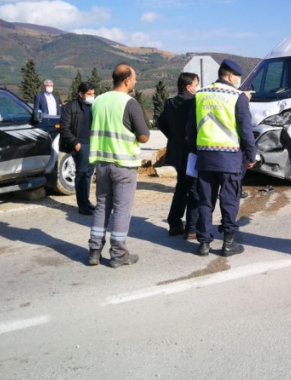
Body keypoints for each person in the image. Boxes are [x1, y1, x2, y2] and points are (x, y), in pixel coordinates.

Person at [187, 59, 257, 256]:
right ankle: (228, 243)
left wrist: (196, 149)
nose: (238, 81)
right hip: (230, 158)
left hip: (205, 157)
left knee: (205, 201)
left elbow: (190, 128)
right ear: (229, 76)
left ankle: (204, 244)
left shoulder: (199, 94)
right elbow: (245, 130)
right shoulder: (237, 97)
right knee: (229, 201)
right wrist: (251, 155)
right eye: (237, 77)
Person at [87, 63, 150, 268]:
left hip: (102, 163)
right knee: (122, 210)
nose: (136, 81)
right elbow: (144, 137)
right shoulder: (129, 103)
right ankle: (118, 254)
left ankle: (94, 251)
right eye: (134, 78)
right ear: (126, 80)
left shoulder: (98, 101)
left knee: (101, 207)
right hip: (123, 164)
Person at [157, 72, 200, 239]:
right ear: (189, 87)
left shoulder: (170, 103)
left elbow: (161, 123)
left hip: (176, 151)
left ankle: (174, 223)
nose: (197, 88)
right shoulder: (194, 102)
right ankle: (192, 228)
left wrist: (173, 137)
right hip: (191, 151)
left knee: (181, 187)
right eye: (196, 85)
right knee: (194, 189)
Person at [59, 81, 96, 215]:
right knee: (81, 175)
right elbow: (64, 128)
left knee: (88, 174)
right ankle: (82, 205)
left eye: (93, 94)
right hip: (80, 145)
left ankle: (86, 202)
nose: (92, 96)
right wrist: (75, 143)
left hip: (93, 144)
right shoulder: (70, 107)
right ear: (81, 94)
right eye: (89, 94)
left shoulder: (95, 106)